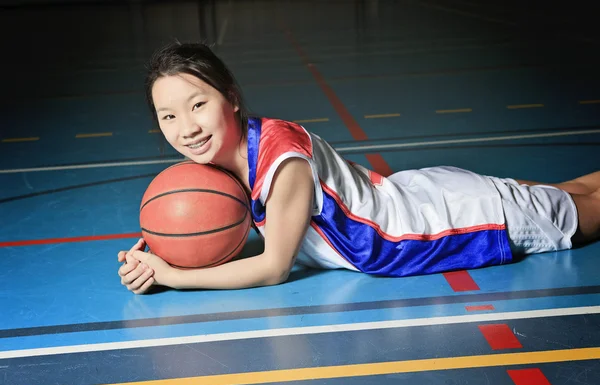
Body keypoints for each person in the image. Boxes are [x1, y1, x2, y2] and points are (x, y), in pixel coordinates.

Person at [117, 41, 600, 295]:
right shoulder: (229, 158)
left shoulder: (280, 162)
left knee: (584, 213)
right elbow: (208, 228)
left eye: (198, 104)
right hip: (419, 196)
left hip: (441, 224)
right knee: (576, 189)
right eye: (168, 115)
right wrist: (157, 254)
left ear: (233, 99)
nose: (186, 127)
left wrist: (174, 276)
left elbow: (272, 267)